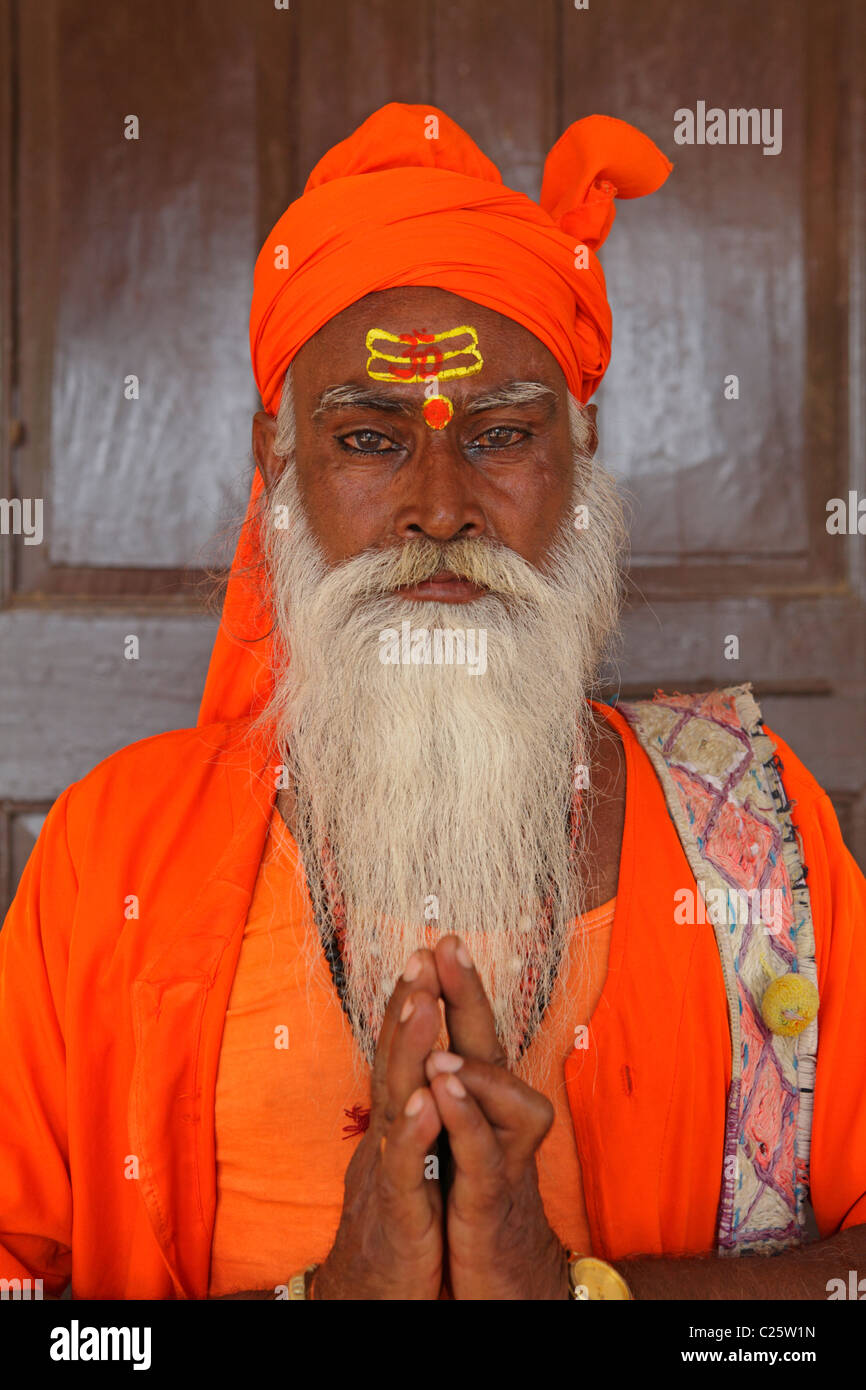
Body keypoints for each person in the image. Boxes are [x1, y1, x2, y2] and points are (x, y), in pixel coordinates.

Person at [1, 103, 864, 1302]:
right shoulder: (111, 859)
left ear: (580, 451)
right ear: (277, 467)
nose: (440, 506)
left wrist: (576, 1295)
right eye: (367, 438)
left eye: (501, 435)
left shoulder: (761, 841)